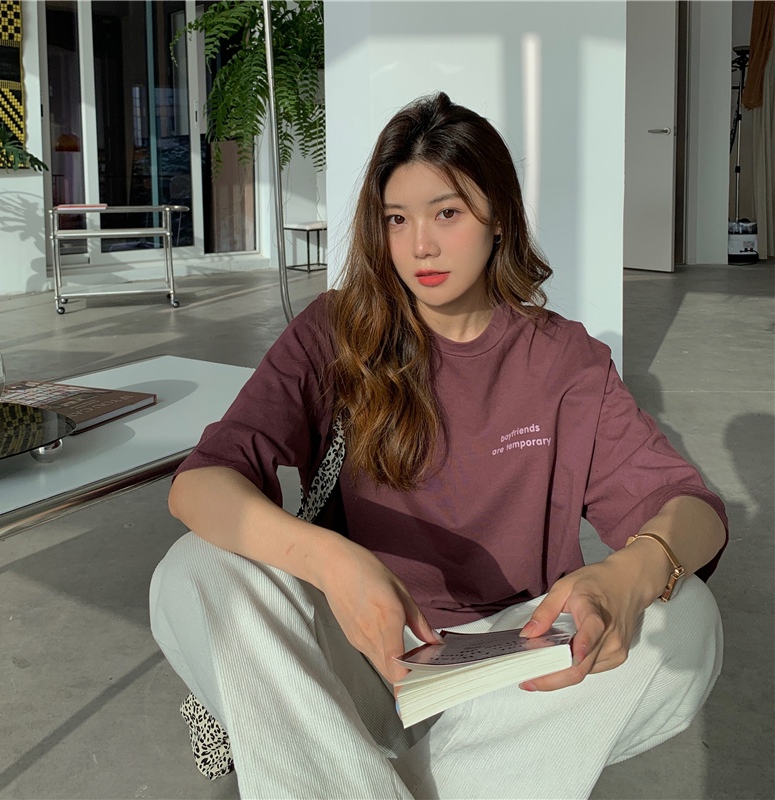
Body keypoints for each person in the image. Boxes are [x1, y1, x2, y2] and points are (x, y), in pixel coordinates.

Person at [150, 92, 728, 799]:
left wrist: (628, 575)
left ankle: (351, 780)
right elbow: (201, 483)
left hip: (512, 669)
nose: (419, 245)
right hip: (361, 649)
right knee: (193, 569)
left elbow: (690, 507)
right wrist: (334, 563)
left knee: (686, 620)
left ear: (499, 218)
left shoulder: (564, 360)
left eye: (446, 213)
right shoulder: (336, 333)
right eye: (397, 219)